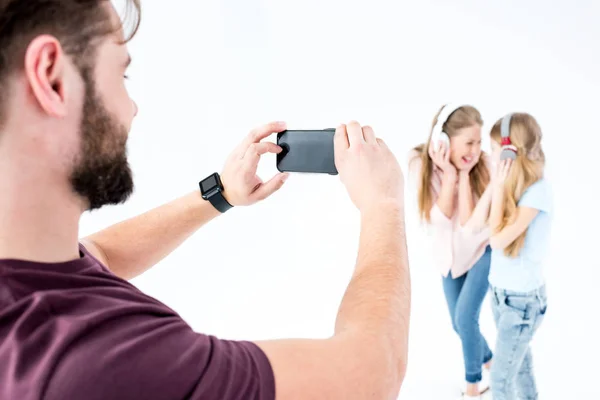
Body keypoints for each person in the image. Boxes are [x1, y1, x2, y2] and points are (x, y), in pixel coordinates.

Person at [0, 1, 411, 399]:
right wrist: (382, 203)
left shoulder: (29, 278)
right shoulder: (102, 363)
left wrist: (221, 194)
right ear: (52, 78)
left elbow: (98, 256)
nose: (133, 109)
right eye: (122, 76)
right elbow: (374, 372)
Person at [408, 104, 493, 399]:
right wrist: (448, 172)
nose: (476, 149)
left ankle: (473, 388)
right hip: (450, 259)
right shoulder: (421, 165)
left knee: (466, 318)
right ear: (443, 141)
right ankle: (493, 361)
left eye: (479, 142)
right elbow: (440, 220)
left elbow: (470, 225)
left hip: (483, 249)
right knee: (459, 324)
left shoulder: (486, 165)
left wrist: (465, 172)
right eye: (469, 142)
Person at [485, 113, 551, 400]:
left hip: (521, 303)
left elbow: (496, 239)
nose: (490, 157)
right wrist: (501, 187)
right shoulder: (516, 188)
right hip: (502, 295)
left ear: (510, 151)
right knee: (519, 368)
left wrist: (498, 188)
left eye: (493, 150)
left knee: (500, 382)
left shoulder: (538, 193)